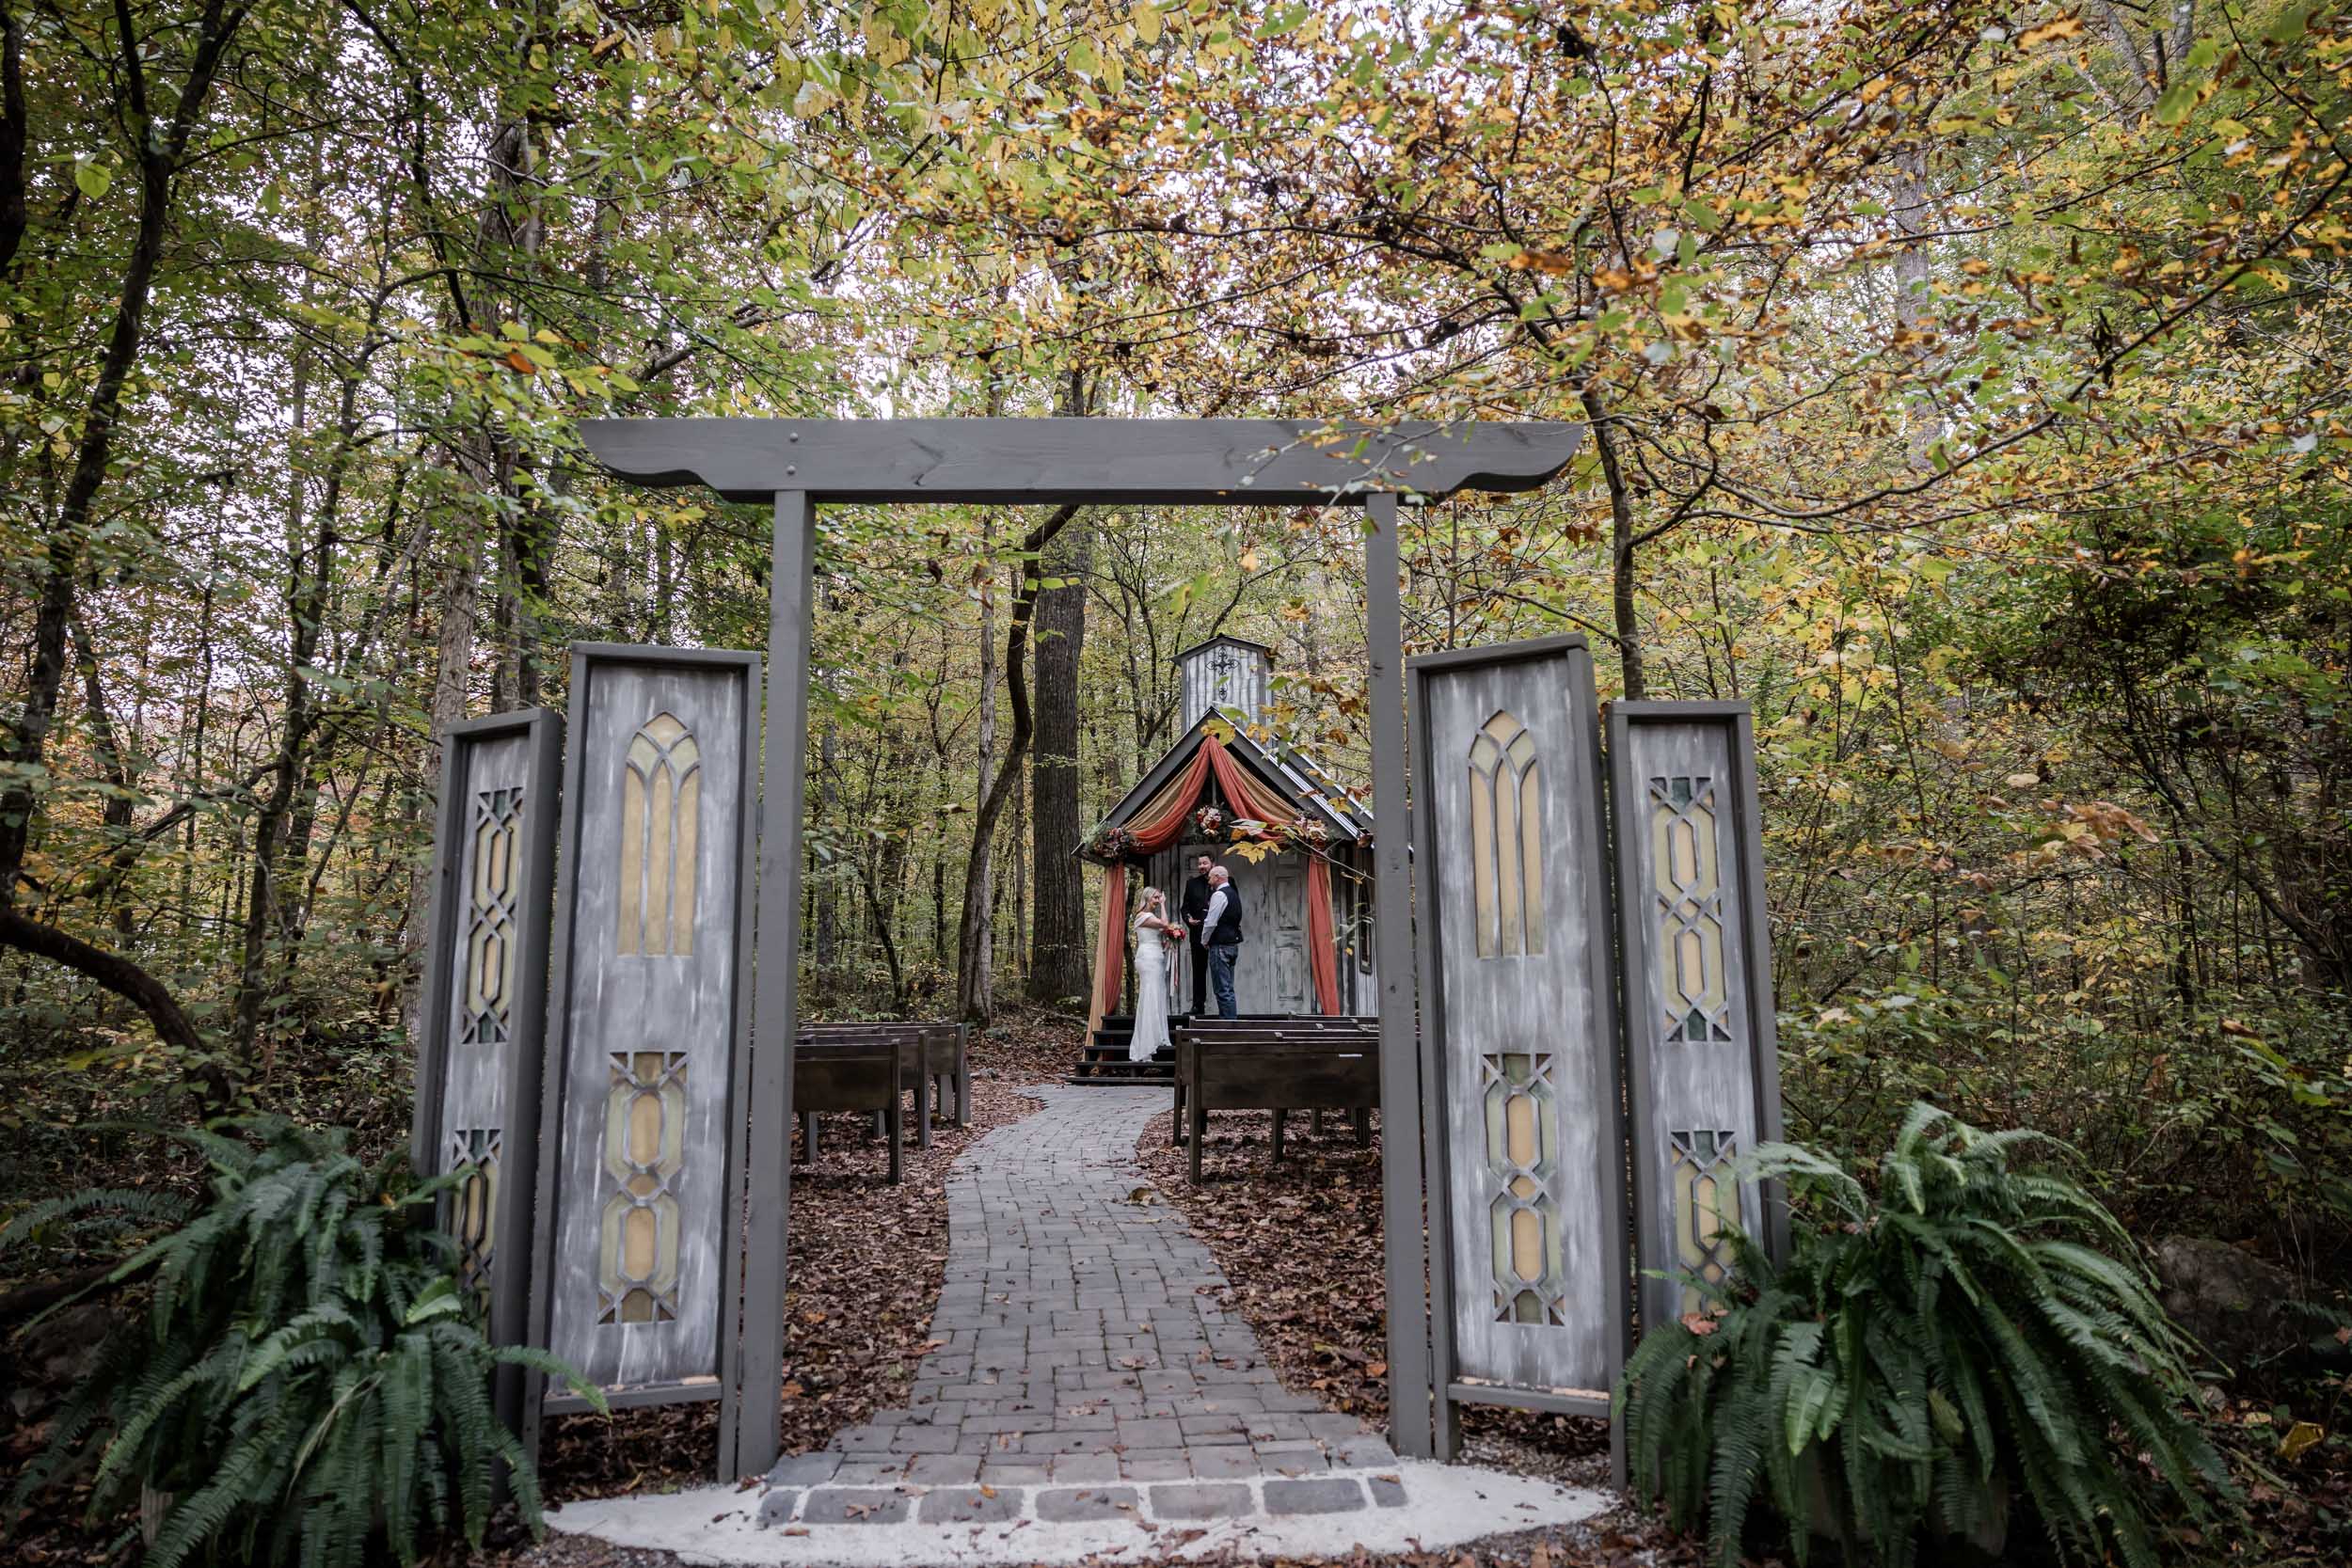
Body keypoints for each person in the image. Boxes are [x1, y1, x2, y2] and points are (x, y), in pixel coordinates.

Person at [1128, 887, 1183, 1062]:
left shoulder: (1150, 917)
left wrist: (1170, 942)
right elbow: (1165, 924)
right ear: (1147, 898)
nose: (1158, 900)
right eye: (1156, 897)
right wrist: (1164, 905)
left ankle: (1158, 1036)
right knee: (1149, 995)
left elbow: (1160, 933)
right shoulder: (1143, 916)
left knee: (1157, 995)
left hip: (1156, 954)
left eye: (1160, 897)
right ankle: (1146, 1044)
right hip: (1148, 958)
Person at [1200, 864, 1245, 1020]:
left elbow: (1210, 922)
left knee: (1222, 989)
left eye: (1211, 877)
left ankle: (1228, 1027)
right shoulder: (1233, 893)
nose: (1209, 880)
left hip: (1220, 946)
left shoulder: (1219, 895)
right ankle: (1231, 1023)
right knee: (1228, 988)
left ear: (1218, 877)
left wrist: (1204, 940)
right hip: (1232, 945)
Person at [1181, 853, 1215, 1018]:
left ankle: (1224, 1007)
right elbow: (1185, 907)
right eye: (1199, 863)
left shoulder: (1224, 882)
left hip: (1217, 936)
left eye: (1205, 863)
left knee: (1219, 971)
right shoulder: (1191, 884)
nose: (1201, 866)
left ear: (1212, 864)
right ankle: (1198, 1006)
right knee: (1198, 971)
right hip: (1197, 935)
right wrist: (1188, 919)